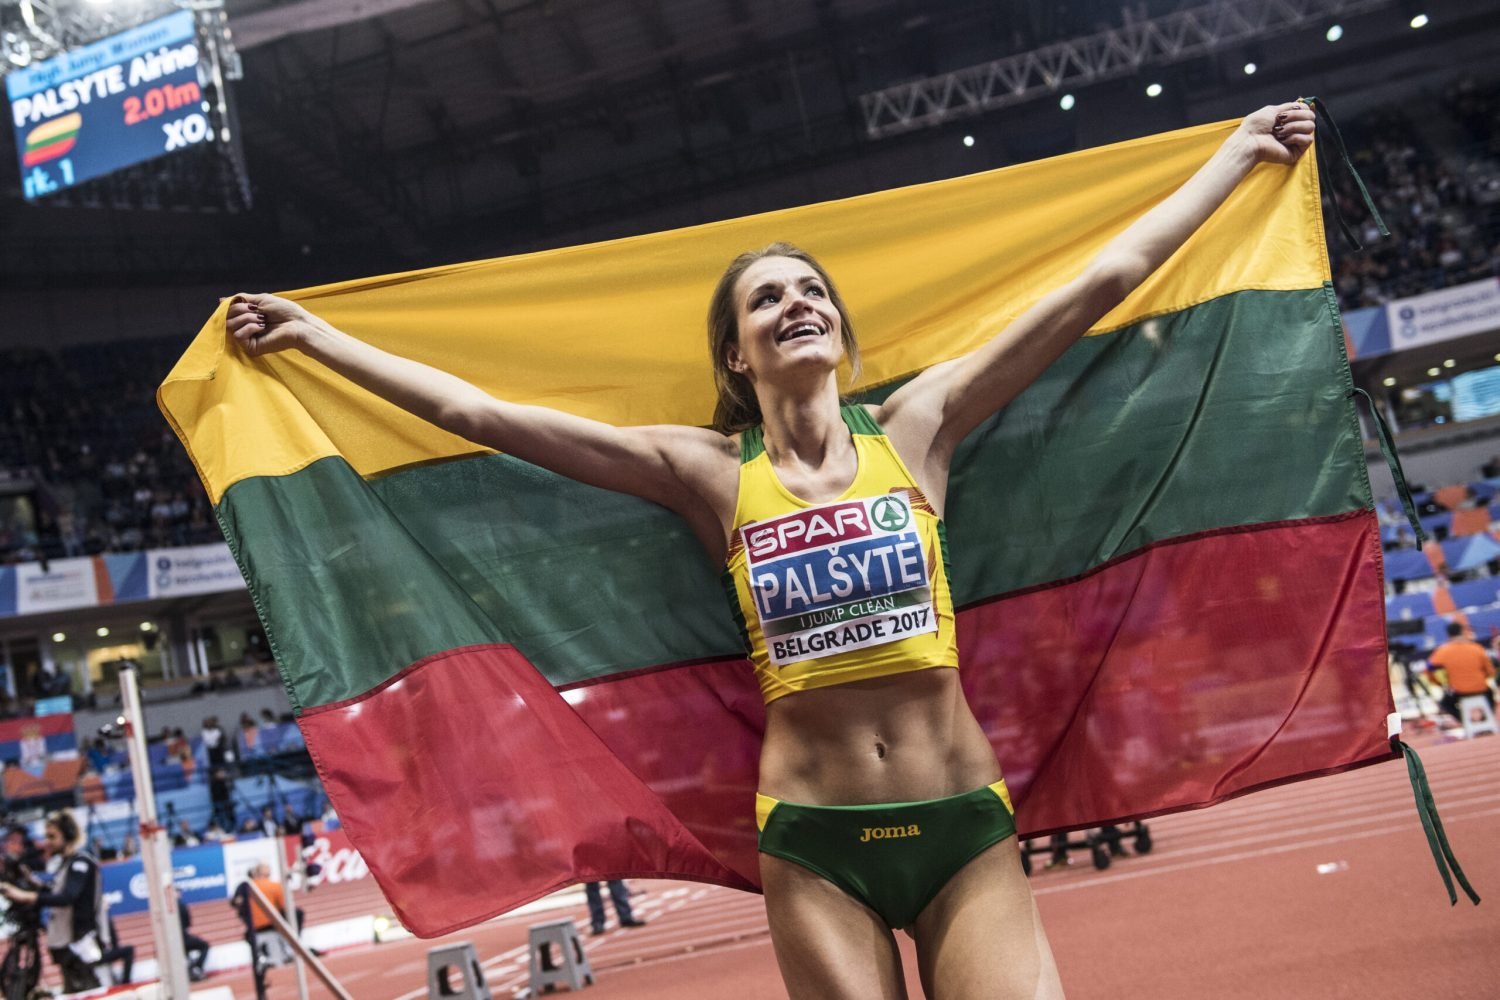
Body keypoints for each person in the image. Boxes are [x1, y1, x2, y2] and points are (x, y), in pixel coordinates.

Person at [226, 103, 1315, 999]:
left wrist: (1236, 154)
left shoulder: (921, 425)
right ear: (737, 354)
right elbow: (481, 415)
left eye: (811, 292)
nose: (795, 304)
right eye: (767, 298)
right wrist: (317, 339)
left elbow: (1099, 283)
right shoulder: (705, 472)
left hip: (962, 823)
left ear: (841, 332)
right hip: (814, 841)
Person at [0, 811, 106, 993]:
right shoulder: (64, 864)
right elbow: (55, 891)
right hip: (66, 946)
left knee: (87, 993)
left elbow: (67, 897)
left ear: (68, 836)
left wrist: (24, 896)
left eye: (52, 836)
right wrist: (32, 881)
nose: (47, 842)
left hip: (79, 946)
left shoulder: (80, 863)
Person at [1428, 621, 1498, 723]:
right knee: (1491, 694)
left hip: (1459, 692)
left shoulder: (1442, 651)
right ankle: (1486, 720)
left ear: (1448, 635)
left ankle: (1466, 721)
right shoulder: (1476, 648)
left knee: (1445, 703)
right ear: (1462, 632)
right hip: (1481, 689)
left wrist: (1439, 683)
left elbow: (1429, 669)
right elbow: (1490, 672)